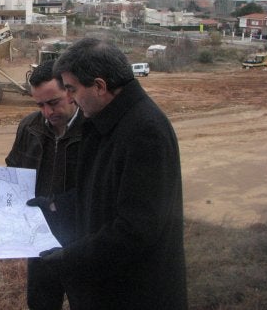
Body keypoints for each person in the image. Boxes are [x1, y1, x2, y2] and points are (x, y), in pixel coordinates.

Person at [39, 38, 187, 309]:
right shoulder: (106, 121)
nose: (69, 98)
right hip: (107, 287)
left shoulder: (145, 131)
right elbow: (100, 193)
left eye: (72, 89)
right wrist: (56, 204)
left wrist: (69, 258)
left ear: (99, 86)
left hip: (134, 293)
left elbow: (136, 229)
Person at [5, 59, 85, 310]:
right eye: (40, 105)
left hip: (82, 243)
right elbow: (13, 172)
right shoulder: (29, 127)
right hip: (39, 241)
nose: (47, 112)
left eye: (53, 103)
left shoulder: (93, 129)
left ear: (71, 93)